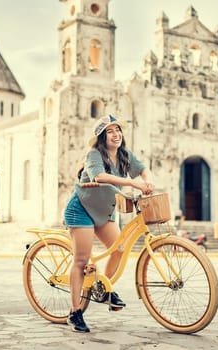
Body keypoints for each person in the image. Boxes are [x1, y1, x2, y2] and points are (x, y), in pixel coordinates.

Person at [63, 114, 155, 333]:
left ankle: (102, 289)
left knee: (119, 249)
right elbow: (100, 177)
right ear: (102, 137)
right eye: (110, 131)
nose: (116, 134)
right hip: (82, 210)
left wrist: (148, 179)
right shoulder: (93, 154)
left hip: (104, 212)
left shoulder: (124, 155)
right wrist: (132, 183)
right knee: (81, 260)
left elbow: (142, 168)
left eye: (118, 130)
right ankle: (75, 312)